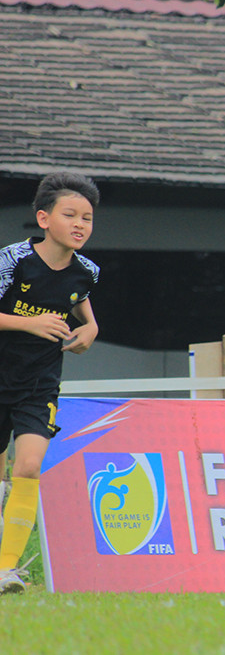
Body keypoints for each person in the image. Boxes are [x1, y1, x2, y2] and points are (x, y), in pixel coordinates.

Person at [0, 172, 100, 594]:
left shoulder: (87, 272)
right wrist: (30, 323)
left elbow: (83, 311)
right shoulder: (11, 260)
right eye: (70, 215)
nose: (80, 224)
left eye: (88, 218)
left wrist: (91, 331)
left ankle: (5, 569)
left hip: (39, 384)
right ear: (43, 218)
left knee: (27, 466)